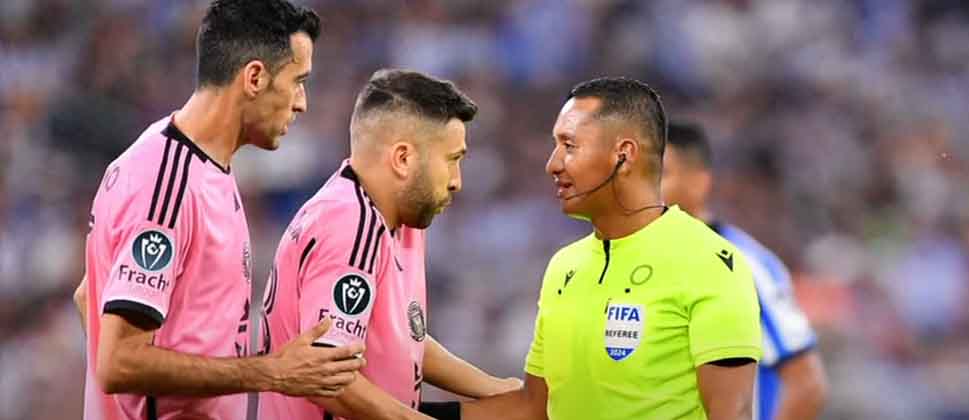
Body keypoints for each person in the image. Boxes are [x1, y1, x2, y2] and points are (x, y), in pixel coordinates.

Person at [74, 2, 365, 419]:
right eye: (298, 81)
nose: (302, 102)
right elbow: (119, 362)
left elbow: (90, 294)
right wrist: (272, 372)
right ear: (254, 77)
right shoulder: (168, 182)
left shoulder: (194, 163)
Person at [425, 77, 762, 420]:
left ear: (624, 155)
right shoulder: (564, 267)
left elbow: (732, 414)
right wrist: (394, 414)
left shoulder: (708, 262)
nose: (552, 164)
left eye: (569, 146)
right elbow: (534, 409)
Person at [259, 69, 521, 420]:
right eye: (452, 160)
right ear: (403, 159)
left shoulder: (400, 217)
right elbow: (328, 378)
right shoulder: (349, 223)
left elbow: (401, 340)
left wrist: (492, 386)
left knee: (518, 411)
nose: (457, 181)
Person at [662, 121, 828, 420]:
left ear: (698, 182)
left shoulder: (743, 266)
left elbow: (807, 383)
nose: (646, 188)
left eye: (660, 174)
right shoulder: (631, 265)